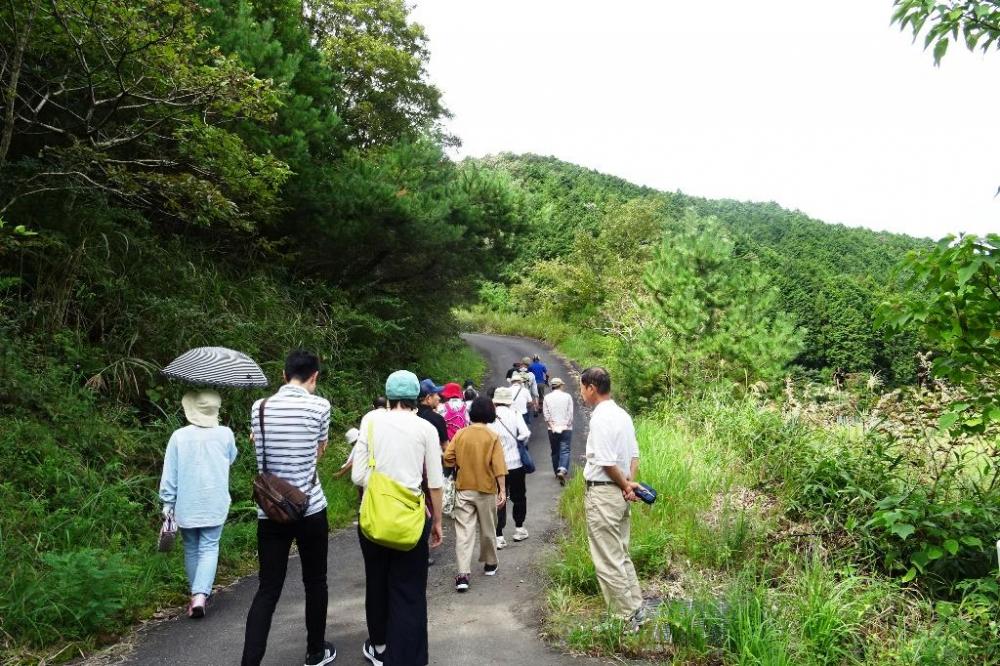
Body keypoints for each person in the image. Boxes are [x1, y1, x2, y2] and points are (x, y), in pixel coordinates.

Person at [241, 350, 336, 666]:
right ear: (314, 377)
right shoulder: (321, 406)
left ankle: (250, 661)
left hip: (270, 510)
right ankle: (315, 652)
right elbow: (319, 452)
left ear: (283, 376)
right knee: (315, 581)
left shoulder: (260, 407)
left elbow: (258, 444)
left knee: (267, 588)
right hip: (310, 508)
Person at [352, 370, 444, 666]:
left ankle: (379, 647)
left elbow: (357, 474)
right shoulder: (425, 428)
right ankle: (409, 658)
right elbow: (435, 483)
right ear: (417, 397)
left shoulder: (371, 420)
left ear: (389, 396)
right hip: (412, 519)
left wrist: (380, 486)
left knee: (377, 581)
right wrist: (438, 522)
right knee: (409, 589)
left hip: (374, 517)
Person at [159, 390, 237, 619]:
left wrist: (167, 501)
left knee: (192, 547)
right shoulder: (225, 434)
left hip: (186, 502)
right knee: (209, 546)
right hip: (214, 501)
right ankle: (200, 595)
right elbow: (231, 458)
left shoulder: (179, 436)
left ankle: (196, 596)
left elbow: (170, 473)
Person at [579, 366, 644, 626]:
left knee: (607, 558)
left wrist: (625, 485)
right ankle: (635, 607)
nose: (582, 393)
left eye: (582, 388)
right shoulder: (622, 415)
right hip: (618, 490)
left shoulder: (600, 417)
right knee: (620, 552)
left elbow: (606, 461)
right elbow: (634, 456)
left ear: (591, 388)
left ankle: (622, 618)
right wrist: (627, 483)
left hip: (605, 491)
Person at [444, 396, 507, 592]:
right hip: (486, 489)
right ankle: (490, 563)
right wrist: (502, 490)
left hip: (463, 488)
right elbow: (499, 467)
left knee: (464, 532)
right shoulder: (492, 436)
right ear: (490, 413)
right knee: (488, 528)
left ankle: (463, 574)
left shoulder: (461, 434)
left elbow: (447, 458)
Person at [488, 386, 531, 548]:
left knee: (499, 498)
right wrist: (517, 443)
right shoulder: (515, 414)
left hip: (496, 466)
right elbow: (526, 433)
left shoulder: (490, 417)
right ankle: (519, 528)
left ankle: (499, 536)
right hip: (516, 463)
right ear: (508, 402)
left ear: (496, 401)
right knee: (519, 496)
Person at [542, 377, 574, 485]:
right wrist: (566, 424)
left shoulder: (547, 397)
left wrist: (552, 425)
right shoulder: (567, 396)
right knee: (565, 449)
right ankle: (562, 469)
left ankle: (557, 472)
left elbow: (546, 415)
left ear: (552, 386)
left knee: (555, 451)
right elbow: (570, 413)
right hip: (566, 428)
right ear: (561, 385)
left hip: (552, 428)